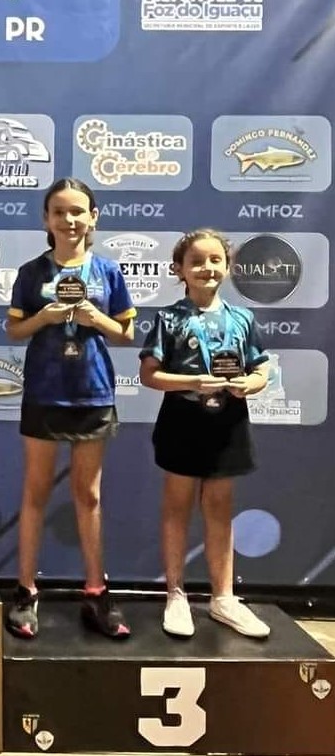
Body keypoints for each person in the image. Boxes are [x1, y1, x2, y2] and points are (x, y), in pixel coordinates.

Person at [5, 177, 135, 640]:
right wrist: (45, 317)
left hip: (93, 394)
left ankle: (96, 592)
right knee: (36, 492)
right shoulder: (31, 272)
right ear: (46, 219)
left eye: (78, 211)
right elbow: (14, 330)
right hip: (44, 392)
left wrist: (94, 318)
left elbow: (126, 334)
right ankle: (26, 590)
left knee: (89, 495)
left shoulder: (108, 272)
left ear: (93, 217)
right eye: (59, 212)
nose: (69, 220)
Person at [139, 229, 270, 639]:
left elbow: (262, 368)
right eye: (196, 261)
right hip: (182, 420)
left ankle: (223, 597)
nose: (206, 268)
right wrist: (194, 382)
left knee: (219, 507)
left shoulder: (242, 319)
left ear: (228, 267)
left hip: (228, 421)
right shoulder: (169, 319)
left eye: (215, 260)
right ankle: (175, 594)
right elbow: (150, 374)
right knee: (177, 506)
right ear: (179, 270)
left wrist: (252, 383)